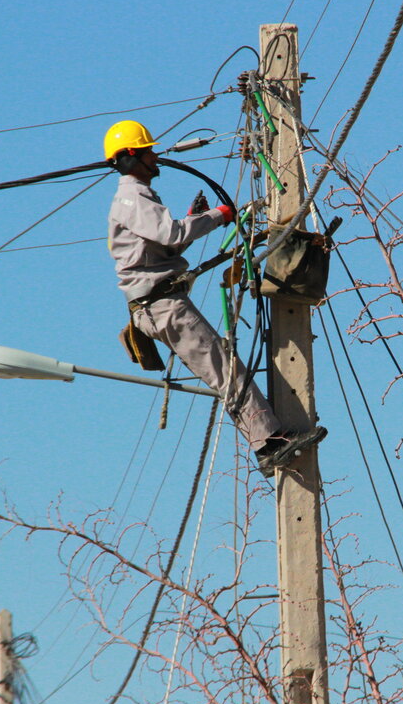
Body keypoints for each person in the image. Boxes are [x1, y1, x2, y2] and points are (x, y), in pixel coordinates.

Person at [104, 119, 324, 477]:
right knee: (225, 370)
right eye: (148, 152)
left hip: (160, 303)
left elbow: (167, 241)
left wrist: (197, 219)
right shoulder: (132, 196)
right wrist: (218, 216)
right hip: (161, 304)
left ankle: (269, 441)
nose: (156, 157)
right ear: (131, 156)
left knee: (225, 368)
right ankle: (270, 444)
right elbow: (170, 232)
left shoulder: (137, 197)